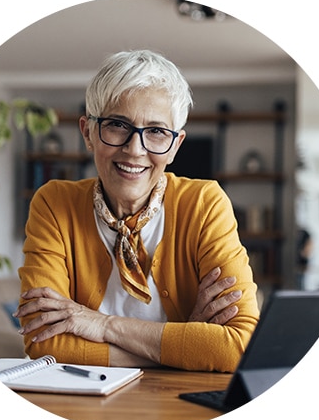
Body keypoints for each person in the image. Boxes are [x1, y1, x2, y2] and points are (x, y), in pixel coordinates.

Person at [15, 49, 259, 372]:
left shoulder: (205, 204)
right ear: (88, 132)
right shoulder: (53, 204)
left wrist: (102, 326)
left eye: (157, 132)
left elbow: (240, 347)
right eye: (117, 125)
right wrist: (183, 345)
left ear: (175, 146)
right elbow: (43, 343)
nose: (135, 149)